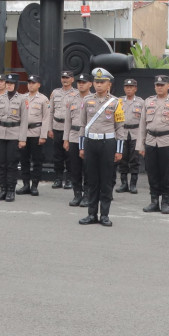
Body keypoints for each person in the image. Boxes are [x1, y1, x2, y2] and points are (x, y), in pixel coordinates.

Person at [77, 68, 123, 227]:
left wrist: (119, 149)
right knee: (91, 180)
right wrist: (81, 147)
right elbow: (82, 125)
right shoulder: (87, 100)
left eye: (102, 82)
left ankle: (104, 214)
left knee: (106, 180)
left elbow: (120, 128)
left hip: (107, 144)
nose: (98, 85)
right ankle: (91, 214)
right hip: (90, 143)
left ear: (109, 84)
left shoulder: (116, 102)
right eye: (96, 82)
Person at [139, 75, 169, 215]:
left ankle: (165, 201)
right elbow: (142, 125)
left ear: (168, 86)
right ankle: (154, 201)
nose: (159, 87)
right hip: (151, 141)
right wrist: (140, 146)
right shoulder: (148, 102)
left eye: (162, 84)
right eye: (157, 85)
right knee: (152, 173)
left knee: (166, 174)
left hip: (167, 141)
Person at [0, 74, 26, 202]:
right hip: (0, 133)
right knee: (0, 163)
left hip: (14, 134)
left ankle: (11, 190)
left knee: (11, 164)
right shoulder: (0, 98)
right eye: (7, 83)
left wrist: (22, 139)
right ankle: (2, 189)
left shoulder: (21, 99)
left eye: (11, 83)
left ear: (16, 85)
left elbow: (24, 121)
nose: (9, 85)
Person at [63, 74, 93, 206]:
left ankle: (87, 194)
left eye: (84, 82)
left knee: (88, 168)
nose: (81, 84)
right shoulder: (72, 100)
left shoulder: (94, 99)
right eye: (79, 82)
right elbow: (67, 121)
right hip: (74, 136)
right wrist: (66, 139)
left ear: (90, 84)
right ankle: (77, 194)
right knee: (74, 168)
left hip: (88, 137)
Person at [18, 75, 51, 196]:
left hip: (36, 132)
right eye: (29, 83)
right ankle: (25, 184)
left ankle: (34, 185)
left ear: (39, 85)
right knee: (24, 160)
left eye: (33, 83)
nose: (31, 85)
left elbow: (46, 118)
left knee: (37, 160)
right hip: (23, 133)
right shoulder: (22, 98)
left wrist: (43, 135)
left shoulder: (43, 99)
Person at [49, 71, 77, 188]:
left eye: (67, 78)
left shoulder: (76, 93)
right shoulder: (55, 93)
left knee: (70, 155)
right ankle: (58, 178)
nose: (65, 80)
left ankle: (69, 179)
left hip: (70, 128)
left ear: (72, 79)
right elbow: (50, 112)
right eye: (63, 78)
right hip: (57, 127)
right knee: (57, 155)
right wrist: (49, 128)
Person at [115, 78, 144, 194]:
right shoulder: (119, 101)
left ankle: (133, 184)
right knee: (122, 158)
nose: (129, 89)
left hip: (135, 132)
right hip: (122, 132)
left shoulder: (141, 102)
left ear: (135, 89)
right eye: (127, 87)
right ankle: (123, 184)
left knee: (134, 159)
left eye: (131, 87)